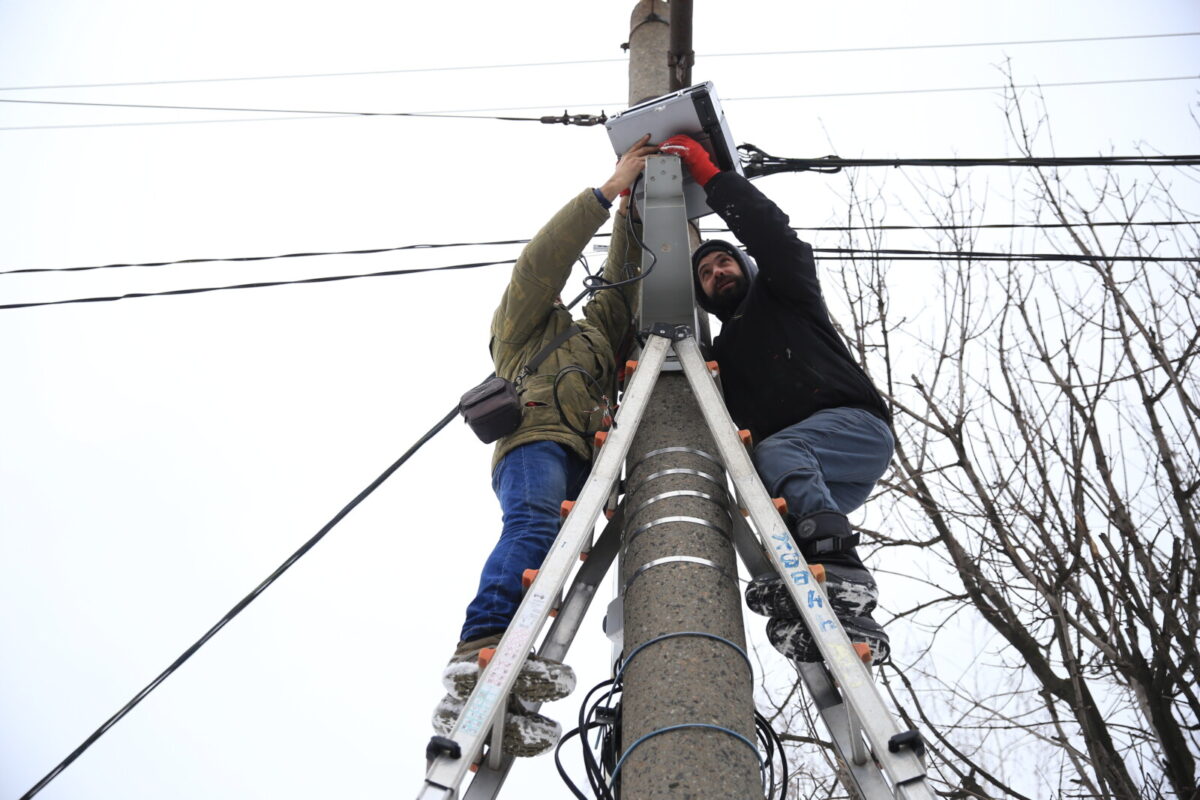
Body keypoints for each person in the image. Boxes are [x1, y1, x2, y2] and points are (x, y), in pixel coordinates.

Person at [432, 136, 658, 757]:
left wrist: (633, 211)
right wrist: (606, 190)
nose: (562, 295)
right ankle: (479, 645)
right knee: (530, 525)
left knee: (549, 569)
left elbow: (619, 285)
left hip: (586, 465)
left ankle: (508, 682)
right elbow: (540, 263)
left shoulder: (595, 339)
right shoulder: (518, 330)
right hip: (533, 441)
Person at [660, 133, 895, 665]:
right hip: (817, 472)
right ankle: (839, 615)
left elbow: (775, 236)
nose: (717, 272)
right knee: (768, 504)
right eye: (705, 273)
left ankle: (840, 570)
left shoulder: (786, 295)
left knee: (777, 456)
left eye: (725, 263)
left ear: (746, 268)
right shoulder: (722, 357)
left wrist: (711, 175)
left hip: (852, 428)